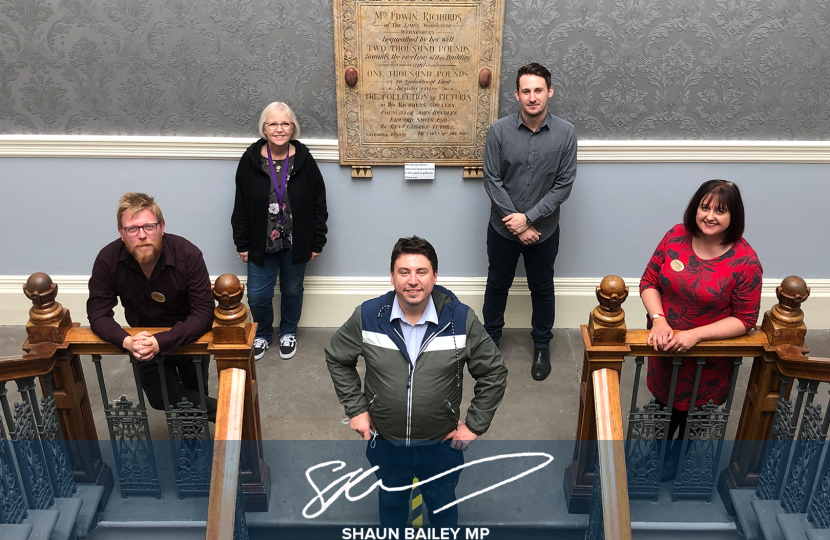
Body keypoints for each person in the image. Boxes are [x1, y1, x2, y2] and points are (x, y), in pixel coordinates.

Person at [325, 236, 507, 528]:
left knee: (442, 506)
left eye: (421, 272)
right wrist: (356, 409)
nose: (413, 281)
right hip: (384, 441)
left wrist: (474, 425)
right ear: (392, 276)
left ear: (435, 276)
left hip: (441, 446)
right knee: (391, 503)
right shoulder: (369, 316)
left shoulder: (461, 320)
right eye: (404, 272)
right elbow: (337, 357)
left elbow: (494, 372)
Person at [640, 179, 762, 480]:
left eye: (720, 211)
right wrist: (659, 319)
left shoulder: (746, 262)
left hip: (708, 363)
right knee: (662, 407)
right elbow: (649, 281)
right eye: (704, 207)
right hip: (665, 350)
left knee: (692, 417)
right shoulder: (675, 236)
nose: (710, 216)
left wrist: (697, 335)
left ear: (734, 216)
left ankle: (676, 460)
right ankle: (656, 455)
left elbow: (745, 320)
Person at [482, 62, 577, 382]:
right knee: (497, 285)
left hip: (544, 230)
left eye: (538, 90)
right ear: (517, 95)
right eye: (526, 91)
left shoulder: (566, 133)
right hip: (502, 229)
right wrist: (517, 223)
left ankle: (541, 346)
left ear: (549, 92)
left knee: (542, 288)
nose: (532, 97)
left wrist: (530, 219)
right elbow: (492, 180)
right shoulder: (498, 131)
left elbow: (564, 185)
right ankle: (490, 343)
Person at [87, 192, 217, 420]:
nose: (142, 235)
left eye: (149, 227)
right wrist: (127, 341)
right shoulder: (107, 259)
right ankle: (232, 411)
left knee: (195, 390)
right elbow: (98, 313)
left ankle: (194, 447)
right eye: (132, 229)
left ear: (162, 226)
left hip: (189, 338)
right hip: (141, 341)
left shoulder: (188, 254)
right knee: (160, 398)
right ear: (121, 232)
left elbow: (204, 313)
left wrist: (162, 341)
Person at [232, 102, 328, 361]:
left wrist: (317, 241)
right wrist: (241, 243)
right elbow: (240, 203)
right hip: (259, 241)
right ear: (264, 128)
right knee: (258, 294)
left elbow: (319, 202)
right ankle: (262, 334)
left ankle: (288, 332)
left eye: (285, 123)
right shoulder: (250, 160)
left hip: (297, 241)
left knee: (293, 290)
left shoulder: (304, 160)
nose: (279, 129)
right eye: (273, 123)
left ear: (293, 127)